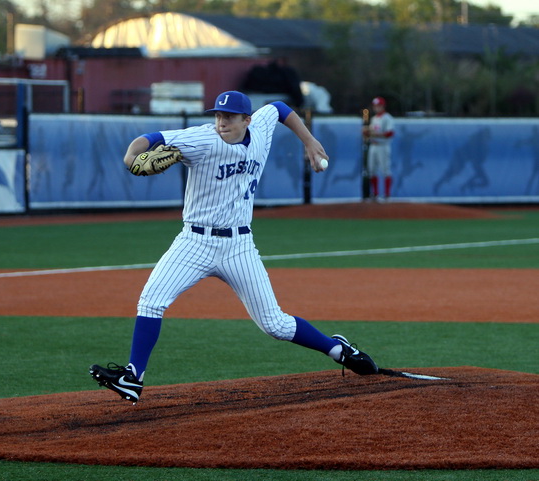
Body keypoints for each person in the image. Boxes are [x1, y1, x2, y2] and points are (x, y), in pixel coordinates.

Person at [89, 91, 379, 404]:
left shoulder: (261, 129)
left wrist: (308, 140)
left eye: (228, 117)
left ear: (247, 120)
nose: (221, 122)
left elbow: (280, 108)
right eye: (218, 115)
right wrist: (131, 158)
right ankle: (133, 377)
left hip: (239, 246)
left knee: (275, 324)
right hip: (194, 242)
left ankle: (338, 350)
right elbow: (147, 140)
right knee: (151, 302)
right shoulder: (201, 139)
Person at [363, 96, 395, 201]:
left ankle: (387, 195)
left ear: (383, 106)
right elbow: (371, 132)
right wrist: (367, 133)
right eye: (375, 106)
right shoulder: (374, 118)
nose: (376, 108)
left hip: (383, 146)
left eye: (378, 106)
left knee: (385, 170)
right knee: (371, 170)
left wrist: (374, 134)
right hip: (373, 146)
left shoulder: (387, 118)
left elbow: (390, 133)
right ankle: (375, 194)